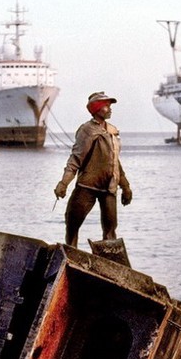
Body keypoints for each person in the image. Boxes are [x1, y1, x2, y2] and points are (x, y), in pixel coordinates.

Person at [54, 91, 133, 247]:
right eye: (106, 106)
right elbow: (75, 160)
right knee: (72, 224)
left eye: (110, 106)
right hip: (87, 186)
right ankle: (71, 253)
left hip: (109, 187)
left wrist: (126, 187)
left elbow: (115, 162)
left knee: (110, 231)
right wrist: (63, 184)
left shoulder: (112, 130)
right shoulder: (87, 130)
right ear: (96, 109)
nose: (110, 109)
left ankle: (110, 261)